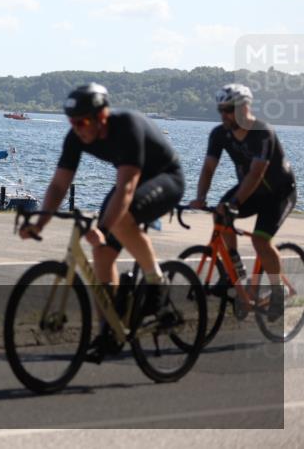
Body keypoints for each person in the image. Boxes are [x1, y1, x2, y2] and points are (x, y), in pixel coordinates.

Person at [20, 83, 185, 360]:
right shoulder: (75, 137)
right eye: (72, 122)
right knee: (101, 253)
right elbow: (59, 185)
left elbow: (127, 190)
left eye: (82, 121)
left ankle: (157, 283)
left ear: (102, 116)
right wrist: (40, 223)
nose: (77, 128)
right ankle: (108, 332)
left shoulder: (127, 127)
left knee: (117, 223)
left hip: (165, 178)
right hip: (130, 180)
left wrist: (103, 228)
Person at [190, 84, 297, 321]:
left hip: (278, 193)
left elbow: (257, 173)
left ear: (244, 107)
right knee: (220, 217)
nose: (224, 115)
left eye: (228, 109)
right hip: (251, 191)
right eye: (221, 110)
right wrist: (200, 198)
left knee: (260, 239)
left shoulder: (262, 132)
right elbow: (208, 168)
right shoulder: (219, 134)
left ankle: (277, 292)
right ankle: (235, 276)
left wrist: (235, 203)